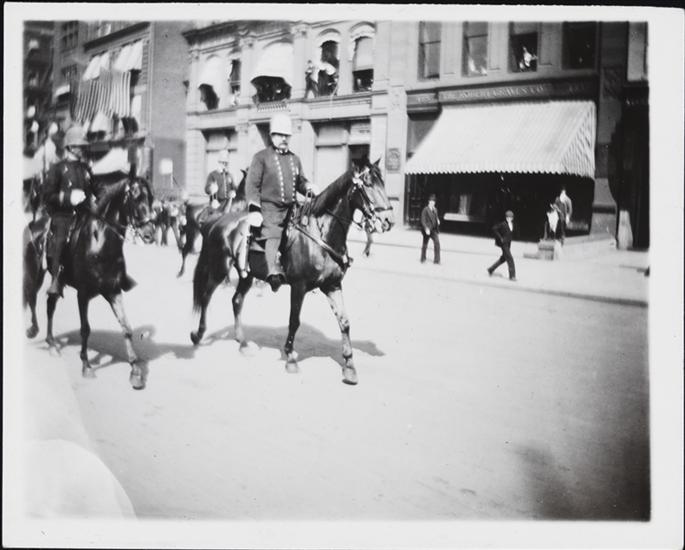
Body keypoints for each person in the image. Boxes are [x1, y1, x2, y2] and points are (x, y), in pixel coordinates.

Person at [245, 113, 318, 292]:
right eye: (279, 135)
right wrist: (254, 208)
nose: (284, 138)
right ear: (272, 136)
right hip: (269, 210)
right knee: (274, 233)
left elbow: (300, 182)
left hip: (292, 209)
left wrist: (308, 186)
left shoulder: (295, 159)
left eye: (286, 135)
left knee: (309, 231)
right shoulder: (261, 157)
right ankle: (272, 273)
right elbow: (252, 185)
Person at [487, 210, 517, 281]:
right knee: (510, 259)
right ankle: (512, 276)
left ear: (512, 218)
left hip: (508, 244)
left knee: (504, 258)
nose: (509, 219)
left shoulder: (512, 224)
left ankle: (491, 269)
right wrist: (500, 238)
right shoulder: (503, 224)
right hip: (504, 244)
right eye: (507, 217)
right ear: (506, 217)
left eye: (510, 217)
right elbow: (494, 228)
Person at [205, 149, 237, 213]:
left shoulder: (230, 175)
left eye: (226, 163)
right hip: (216, 203)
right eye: (223, 162)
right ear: (219, 162)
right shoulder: (212, 174)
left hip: (228, 204)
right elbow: (206, 189)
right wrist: (211, 188)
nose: (224, 164)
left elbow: (234, 188)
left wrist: (233, 192)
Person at [420, 194, 441, 264]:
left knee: (437, 243)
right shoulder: (425, 209)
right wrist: (426, 229)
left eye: (434, 202)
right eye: (431, 201)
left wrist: (437, 220)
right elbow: (423, 220)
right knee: (425, 244)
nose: (432, 203)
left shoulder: (435, 209)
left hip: (433, 230)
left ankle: (437, 260)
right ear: (429, 202)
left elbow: (435, 217)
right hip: (427, 230)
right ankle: (423, 258)